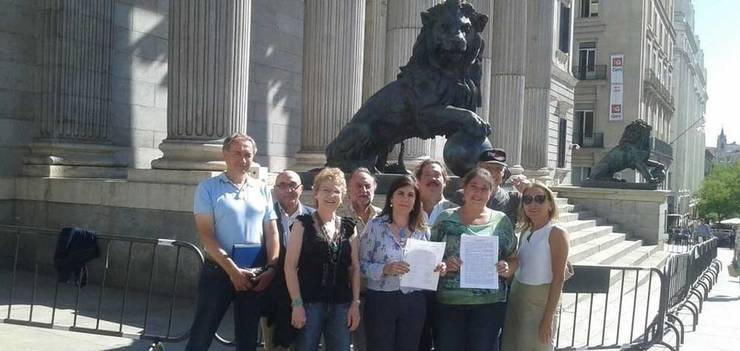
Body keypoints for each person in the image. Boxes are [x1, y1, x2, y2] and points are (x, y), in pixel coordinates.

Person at [187, 133, 280, 351]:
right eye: (237, 153)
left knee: (247, 339)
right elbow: (206, 235)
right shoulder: (207, 188)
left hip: (255, 273)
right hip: (218, 271)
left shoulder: (262, 189)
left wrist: (272, 269)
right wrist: (232, 271)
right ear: (225, 155)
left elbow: (272, 233)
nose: (243, 159)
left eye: (248, 154)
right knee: (202, 334)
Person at [431, 168, 517, 351]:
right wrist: (444, 265)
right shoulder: (445, 219)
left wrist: (507, 267)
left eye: (484, 188)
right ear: (464, 188)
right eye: (473, 186)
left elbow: (513, 257)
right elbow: (431, 257)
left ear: (491, 191)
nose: (478, 193)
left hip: (488, 306)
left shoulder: (501, 221)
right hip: (449, 304)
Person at [359, 175, 446, 351]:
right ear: (391, 198)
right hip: (381, 300)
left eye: (410, 195)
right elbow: (360, 264)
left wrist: (439, 267)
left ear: (416, 201)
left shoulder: (422, 229)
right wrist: (384, 269)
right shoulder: (375, 226)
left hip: (413, 301)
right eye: (401, 193)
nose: (405, 199)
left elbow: (430, 262)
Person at [284, 167, 362, 351]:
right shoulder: (302, 224)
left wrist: (355, 304)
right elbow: (289, 267)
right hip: (310, 304)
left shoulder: (349, 227)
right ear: (316, 193)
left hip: (341, 305)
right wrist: (296, 304)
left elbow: (355, 268)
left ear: (342, 196)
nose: (331, 195)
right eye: (326, 190)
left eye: (337, 191)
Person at [502, 182, 570, 351]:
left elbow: (558, 279)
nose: (533, 204)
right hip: (517, 296)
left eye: (540, 199)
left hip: (541, 301)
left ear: (550, 204)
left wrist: (548, 319)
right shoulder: (525, 231)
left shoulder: (556, 232)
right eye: (528, 199)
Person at [262, 170, 315, 350]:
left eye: (293, 185)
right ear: (275, 190)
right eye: (282, 185)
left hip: (306, 295)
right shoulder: (265, 217)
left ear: (301, 189)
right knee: (273, 346)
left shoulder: (314, 218)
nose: (288, 190)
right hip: (272, 297)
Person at [414, 160, 457, 351]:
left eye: (437, 175)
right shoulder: (407, 209)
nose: (433, 179)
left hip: (446, 289)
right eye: (427, 176)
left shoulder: (456, 212)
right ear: (418, 181)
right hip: (415, 290)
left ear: (445, 181)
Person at [338, 167, 381, 351]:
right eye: (358, 186)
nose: (363, 190)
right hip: (343, 293)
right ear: (348, 188)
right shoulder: (337, 216)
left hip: (375, 294)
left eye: (367, 186)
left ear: (375, 188)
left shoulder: (384, 217)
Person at [452, 149, 527, 225]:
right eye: (488, 168)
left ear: (503, 173)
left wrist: (529, 191)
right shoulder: (462, 196)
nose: (493, 173)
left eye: (498, 169)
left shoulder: (513, 200)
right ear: (478, 170)